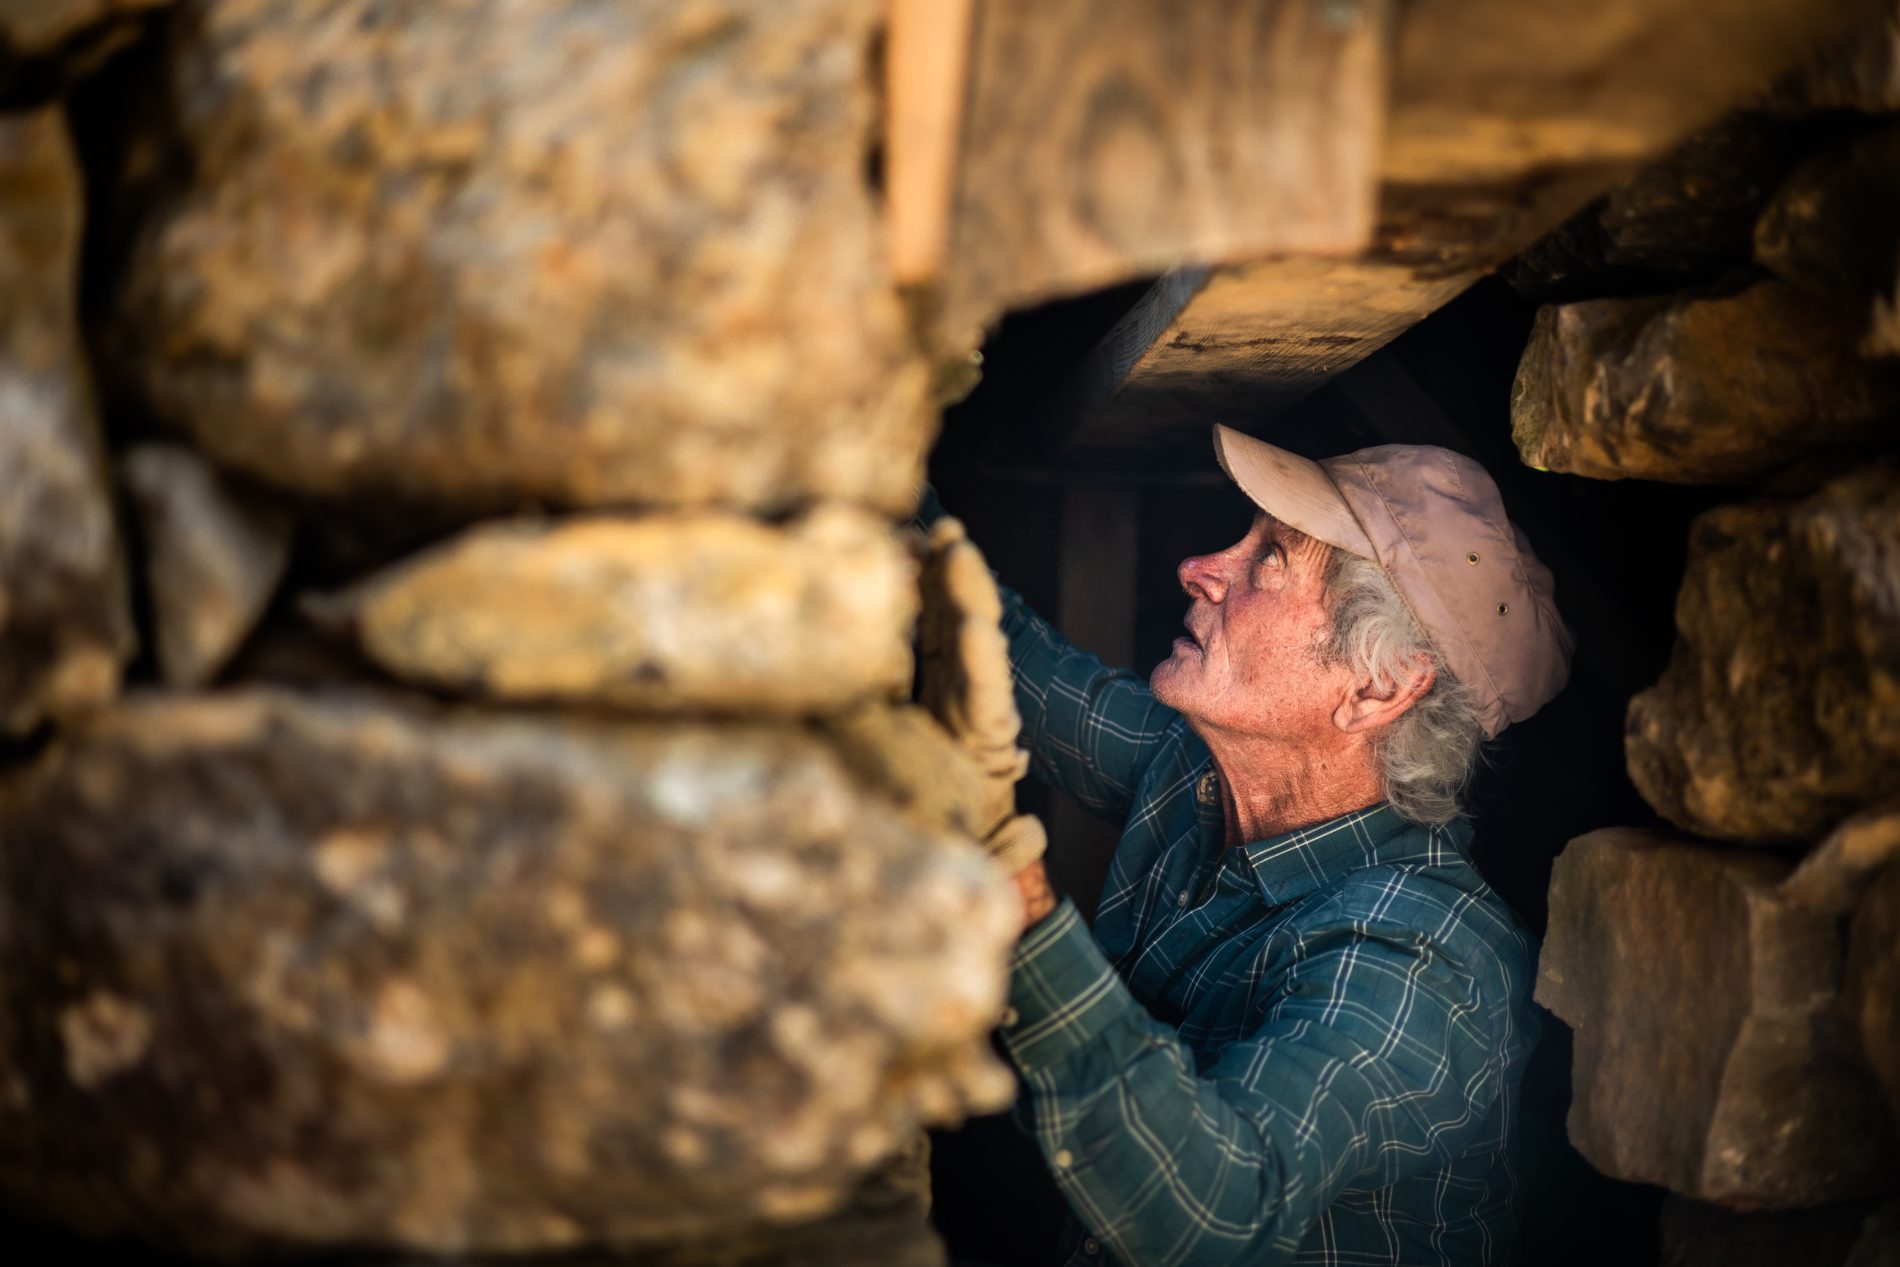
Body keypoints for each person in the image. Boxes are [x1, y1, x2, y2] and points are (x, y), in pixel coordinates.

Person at [936, 425, 1572, 1266]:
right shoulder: (1205, 776)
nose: (1199, 568)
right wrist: (868, 507)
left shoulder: (1425, 957)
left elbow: (1210, 1212)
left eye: (1269, 558)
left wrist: (1022, 911)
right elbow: (1005, 662)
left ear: (1376, 686)